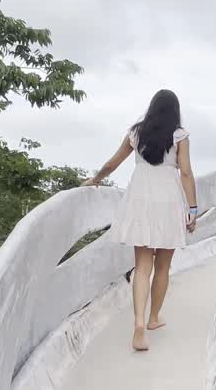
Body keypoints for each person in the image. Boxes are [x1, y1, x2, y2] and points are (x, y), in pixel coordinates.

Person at [83, 89, 198, 352]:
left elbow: (114, 163)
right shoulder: (180, 136)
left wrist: (95, 179)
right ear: (174, 111)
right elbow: (187, 173)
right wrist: (192, 208)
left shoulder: (136, 133)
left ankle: (137, 323)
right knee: (163, 266)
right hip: (169, 200)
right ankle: (153, 318)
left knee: (142, 266)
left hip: (141, 196)